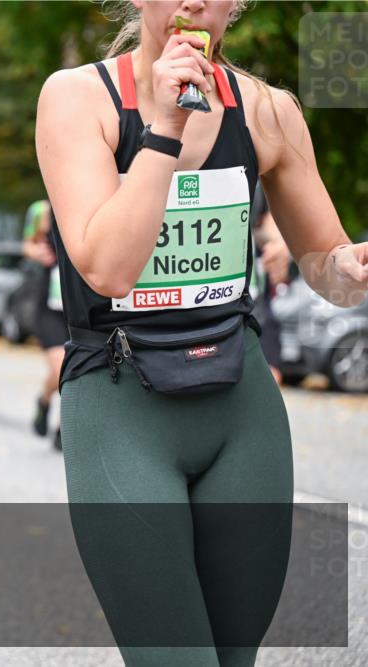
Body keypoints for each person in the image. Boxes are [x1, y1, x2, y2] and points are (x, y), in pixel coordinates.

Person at [36, 1, 367, 665]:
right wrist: (164, 126)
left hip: (239, 408)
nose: (193, 1)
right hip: (120, 404)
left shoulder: (269, 110)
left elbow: (325, 270)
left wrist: (352, 269)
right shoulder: (78, 99)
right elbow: (107, 269)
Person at [22, 200, 66, 451]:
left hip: (75, 309)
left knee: (70, 371)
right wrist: (36, 252)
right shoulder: (42, 209)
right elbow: (28, 244)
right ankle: (50, 408)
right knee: (62, 370)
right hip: (49, 306)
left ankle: (54, 416)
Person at [249, 183, 291, 385]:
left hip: (252, 311)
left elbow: (261, 221)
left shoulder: (248, 158)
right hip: (163, 320)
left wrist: (280, 244)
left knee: (270, 379)